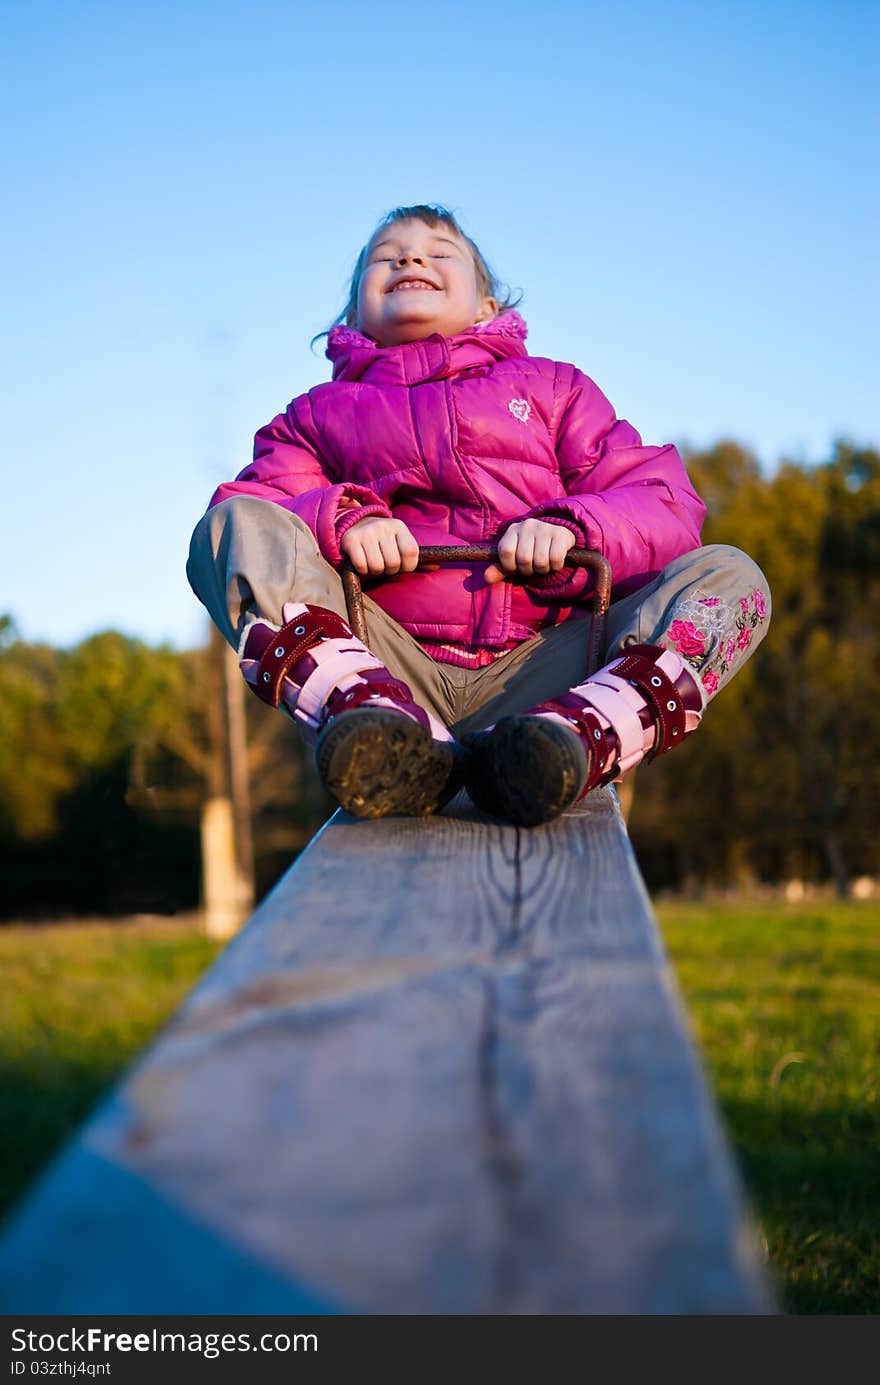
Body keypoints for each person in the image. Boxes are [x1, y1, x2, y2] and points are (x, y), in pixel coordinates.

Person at [187, 204, 771, 827]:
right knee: (234, 527)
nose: (411, 258)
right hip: (389, 656)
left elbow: (661, 500)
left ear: (488, 308)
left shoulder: (553, 390)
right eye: (387, 256)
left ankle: (574, 738)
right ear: (354, 314)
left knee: (732, 579)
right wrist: (347, 520)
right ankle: (372, 721)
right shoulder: (317, 415)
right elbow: (264, 502)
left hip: (550, 665)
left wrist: (573, 529)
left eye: (439, 253)